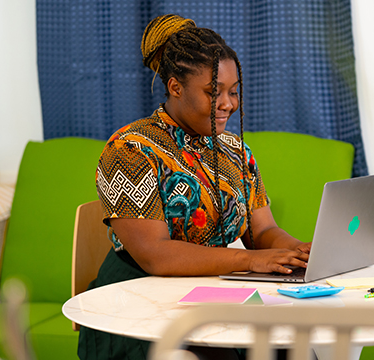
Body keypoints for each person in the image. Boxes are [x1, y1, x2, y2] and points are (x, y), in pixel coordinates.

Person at [78, 14, 311, 360]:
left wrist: (299, 253)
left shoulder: (235, 150)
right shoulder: (130, 149)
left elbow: (264, 230)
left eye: (233, 92)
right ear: (175, 87)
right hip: (137, 305)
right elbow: (155, 255)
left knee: (295, 346)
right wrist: (251, 262)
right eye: (212, 92)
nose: (228, 104)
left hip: (210, 293)